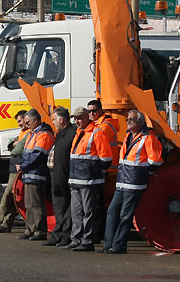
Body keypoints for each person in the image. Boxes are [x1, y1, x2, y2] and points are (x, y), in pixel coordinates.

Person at [100, 110, 162, 254]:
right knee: (112, 211)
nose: (128, 121)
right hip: (122, 182)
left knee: (125, 215)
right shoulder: (129, 136)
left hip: (133, 183)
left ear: (140, 122)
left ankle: (118, 245)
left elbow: (155, 162)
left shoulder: (148, 138)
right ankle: (109, 244)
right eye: (128, 119)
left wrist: (141, 174)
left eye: (131, 119)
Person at [66, 106, 112, 251]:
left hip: (88, 180)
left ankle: (87, 240)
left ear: (87, 117)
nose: (77, 121)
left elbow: (106, 158)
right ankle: (77, 238)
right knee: (77, 212)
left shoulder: (97, 133)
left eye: (79, 118)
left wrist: (96, 172)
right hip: (76, 179)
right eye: (75, 118)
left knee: (88, 212)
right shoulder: (79, 133)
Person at [15, 109, 54, 241]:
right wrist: (22, 165)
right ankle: (31, 229)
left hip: (37, 173)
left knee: (36, 204)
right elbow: (27, 153)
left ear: (35, 120)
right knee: (29, 204)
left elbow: (38, 156)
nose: (26, 125)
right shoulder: (34, 134)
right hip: (29, 173)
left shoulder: (44, 135)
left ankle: (39, 231)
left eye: (28, 122)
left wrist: (23, 166)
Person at [42, 107, 76, 247]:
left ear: (61, 120)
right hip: (55, 175)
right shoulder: (60, 134)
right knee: (58, 207)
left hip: (63, 176)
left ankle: (64, 236)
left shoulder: (71, 133)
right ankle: (58, 235)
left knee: (64, 208)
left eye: (54, 119)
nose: (53, 122)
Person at [87, 98, 120, 241]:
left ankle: (103, 234)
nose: (91, 114)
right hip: (106, 170)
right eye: (89, 111)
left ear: (101, 110)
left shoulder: (104, 127)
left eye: (94, 111)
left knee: (103, 205)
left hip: (107, 171)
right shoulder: (100, 125)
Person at [0, 109, 29, 233]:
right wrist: (15, 143)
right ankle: (5, 223)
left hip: (18, 169)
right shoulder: (22, 133)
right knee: (13, 197)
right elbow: (10, 145)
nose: (19, 124)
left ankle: (1, 219)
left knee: (10, 195)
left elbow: (16, 149)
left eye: (20, 121)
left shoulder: (29, 133)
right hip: (14, 168)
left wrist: (16, 144)